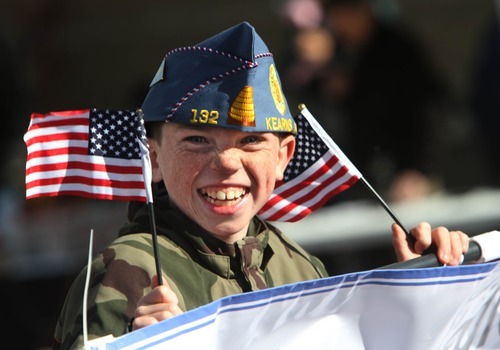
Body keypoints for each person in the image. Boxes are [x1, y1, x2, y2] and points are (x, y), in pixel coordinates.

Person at [52, 22, 469, 349]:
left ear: (284, 156)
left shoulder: (300, 267)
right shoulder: (124, 276)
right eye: (197, 141)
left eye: (251, 141)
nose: (227, 164)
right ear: (154, 158)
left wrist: (419, 298)